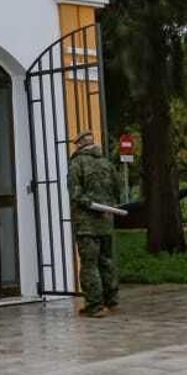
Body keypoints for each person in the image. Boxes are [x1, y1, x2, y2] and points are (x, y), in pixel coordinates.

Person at [67, 130, 120, 318]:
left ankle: (94, 305)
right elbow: (117, 189)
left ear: (80, 145)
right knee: (107, 261)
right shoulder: (107, 163)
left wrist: (87, 203)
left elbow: (75, 193)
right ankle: (111, 300)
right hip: (106, 221)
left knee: (89, 264)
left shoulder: (77, 163)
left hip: (86, 224)